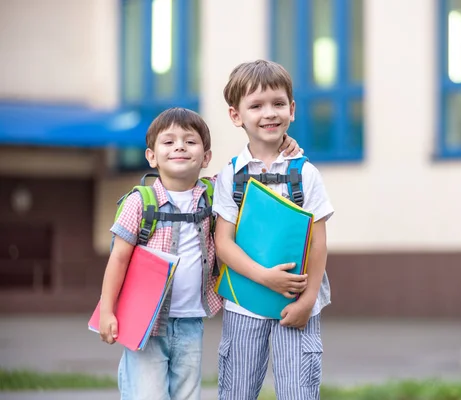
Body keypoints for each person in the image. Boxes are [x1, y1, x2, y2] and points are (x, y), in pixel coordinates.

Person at [97, 107, 301, 400]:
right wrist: (108, 311)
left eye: (190, 141)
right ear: (151, 156)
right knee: (146, 394)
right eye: (168, 142)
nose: (179, 146)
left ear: (206, 157)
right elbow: (117, 259)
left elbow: (249, 170)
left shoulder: (213, 193)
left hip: (191, 322)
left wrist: (283, 143)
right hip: (145, 324)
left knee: (187, 394)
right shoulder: (139, 202)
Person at [213, 59, 335, 400]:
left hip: (296, 305)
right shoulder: (231, 176)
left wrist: (308, 300)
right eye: (256, 105)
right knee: (236, 390)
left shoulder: (305, 173)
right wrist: (265, 277)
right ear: (236, 115)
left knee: (299, 390)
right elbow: (223, 242)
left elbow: (318, 242)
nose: (269, 113)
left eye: (278, 103)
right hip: (243, 303)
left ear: (292, 109)